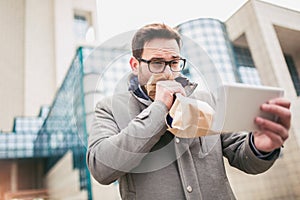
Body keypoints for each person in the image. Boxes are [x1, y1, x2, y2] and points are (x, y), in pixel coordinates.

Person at [86, 23, 291, 199]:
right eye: (157, 63)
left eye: (174, 62)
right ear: (134, 64)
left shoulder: (207, 100)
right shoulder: (109, 108)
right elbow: (101, 168)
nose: (167, 73)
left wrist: (260, 147)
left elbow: (242, 155)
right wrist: (159, 109)